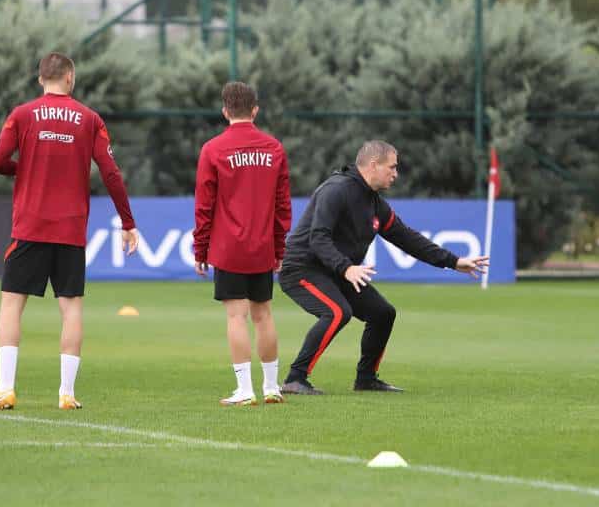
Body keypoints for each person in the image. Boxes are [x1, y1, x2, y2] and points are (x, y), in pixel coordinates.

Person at [0, 52, 139, 411]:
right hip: (70, 229)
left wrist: (25, 168)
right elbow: (111, 172)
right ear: (70, 78)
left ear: (41, 80)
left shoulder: (22, 114)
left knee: (11, 305)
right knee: (71, 309)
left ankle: (5, 387)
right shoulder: (89, 119)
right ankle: (66, 393)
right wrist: (127, 222)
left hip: (30, 226)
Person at [278, 140, 489, 395]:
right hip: (302, 268)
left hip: (337, 270)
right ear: (374, 165)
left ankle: (366, 379)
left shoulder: (374, 203)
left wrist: (453, 261)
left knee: (382, 313)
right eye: (392, 167)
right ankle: (295, 379)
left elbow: (407, 238)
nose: (396, 174)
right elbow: (318, 238)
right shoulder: (336, 190)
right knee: (336, 312)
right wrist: (346, 268)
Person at [193, 82, 292, 406]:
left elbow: (204, 205)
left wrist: (201, 248)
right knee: (264, 314)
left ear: (225, 112)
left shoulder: (213, 149)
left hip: (228, 247)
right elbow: (282, 205)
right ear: (255, 110)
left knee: (237, 317)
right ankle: (272, 386)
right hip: (262, 246)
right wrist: (279, 248)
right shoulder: (274, 148)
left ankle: (245, 389)